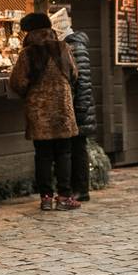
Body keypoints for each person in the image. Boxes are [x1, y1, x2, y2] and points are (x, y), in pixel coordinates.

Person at [11, 12, 81, 211]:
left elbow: (18, 82)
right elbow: (74, 74)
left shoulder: (27, 54)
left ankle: (46, 198)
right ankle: (64, 197)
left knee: (42, 156)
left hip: (39, 111)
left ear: (29, 32)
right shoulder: (63, 48)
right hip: (62, 110)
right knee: (64, 154)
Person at [49, 7, 96, 202]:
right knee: (77, 147)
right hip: (79, 103)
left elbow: (82, 80)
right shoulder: (72, 45)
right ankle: (79, 188)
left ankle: (81, 189)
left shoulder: (74, 47)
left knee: (77, 148)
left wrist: (80, 107)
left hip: (78, 104)